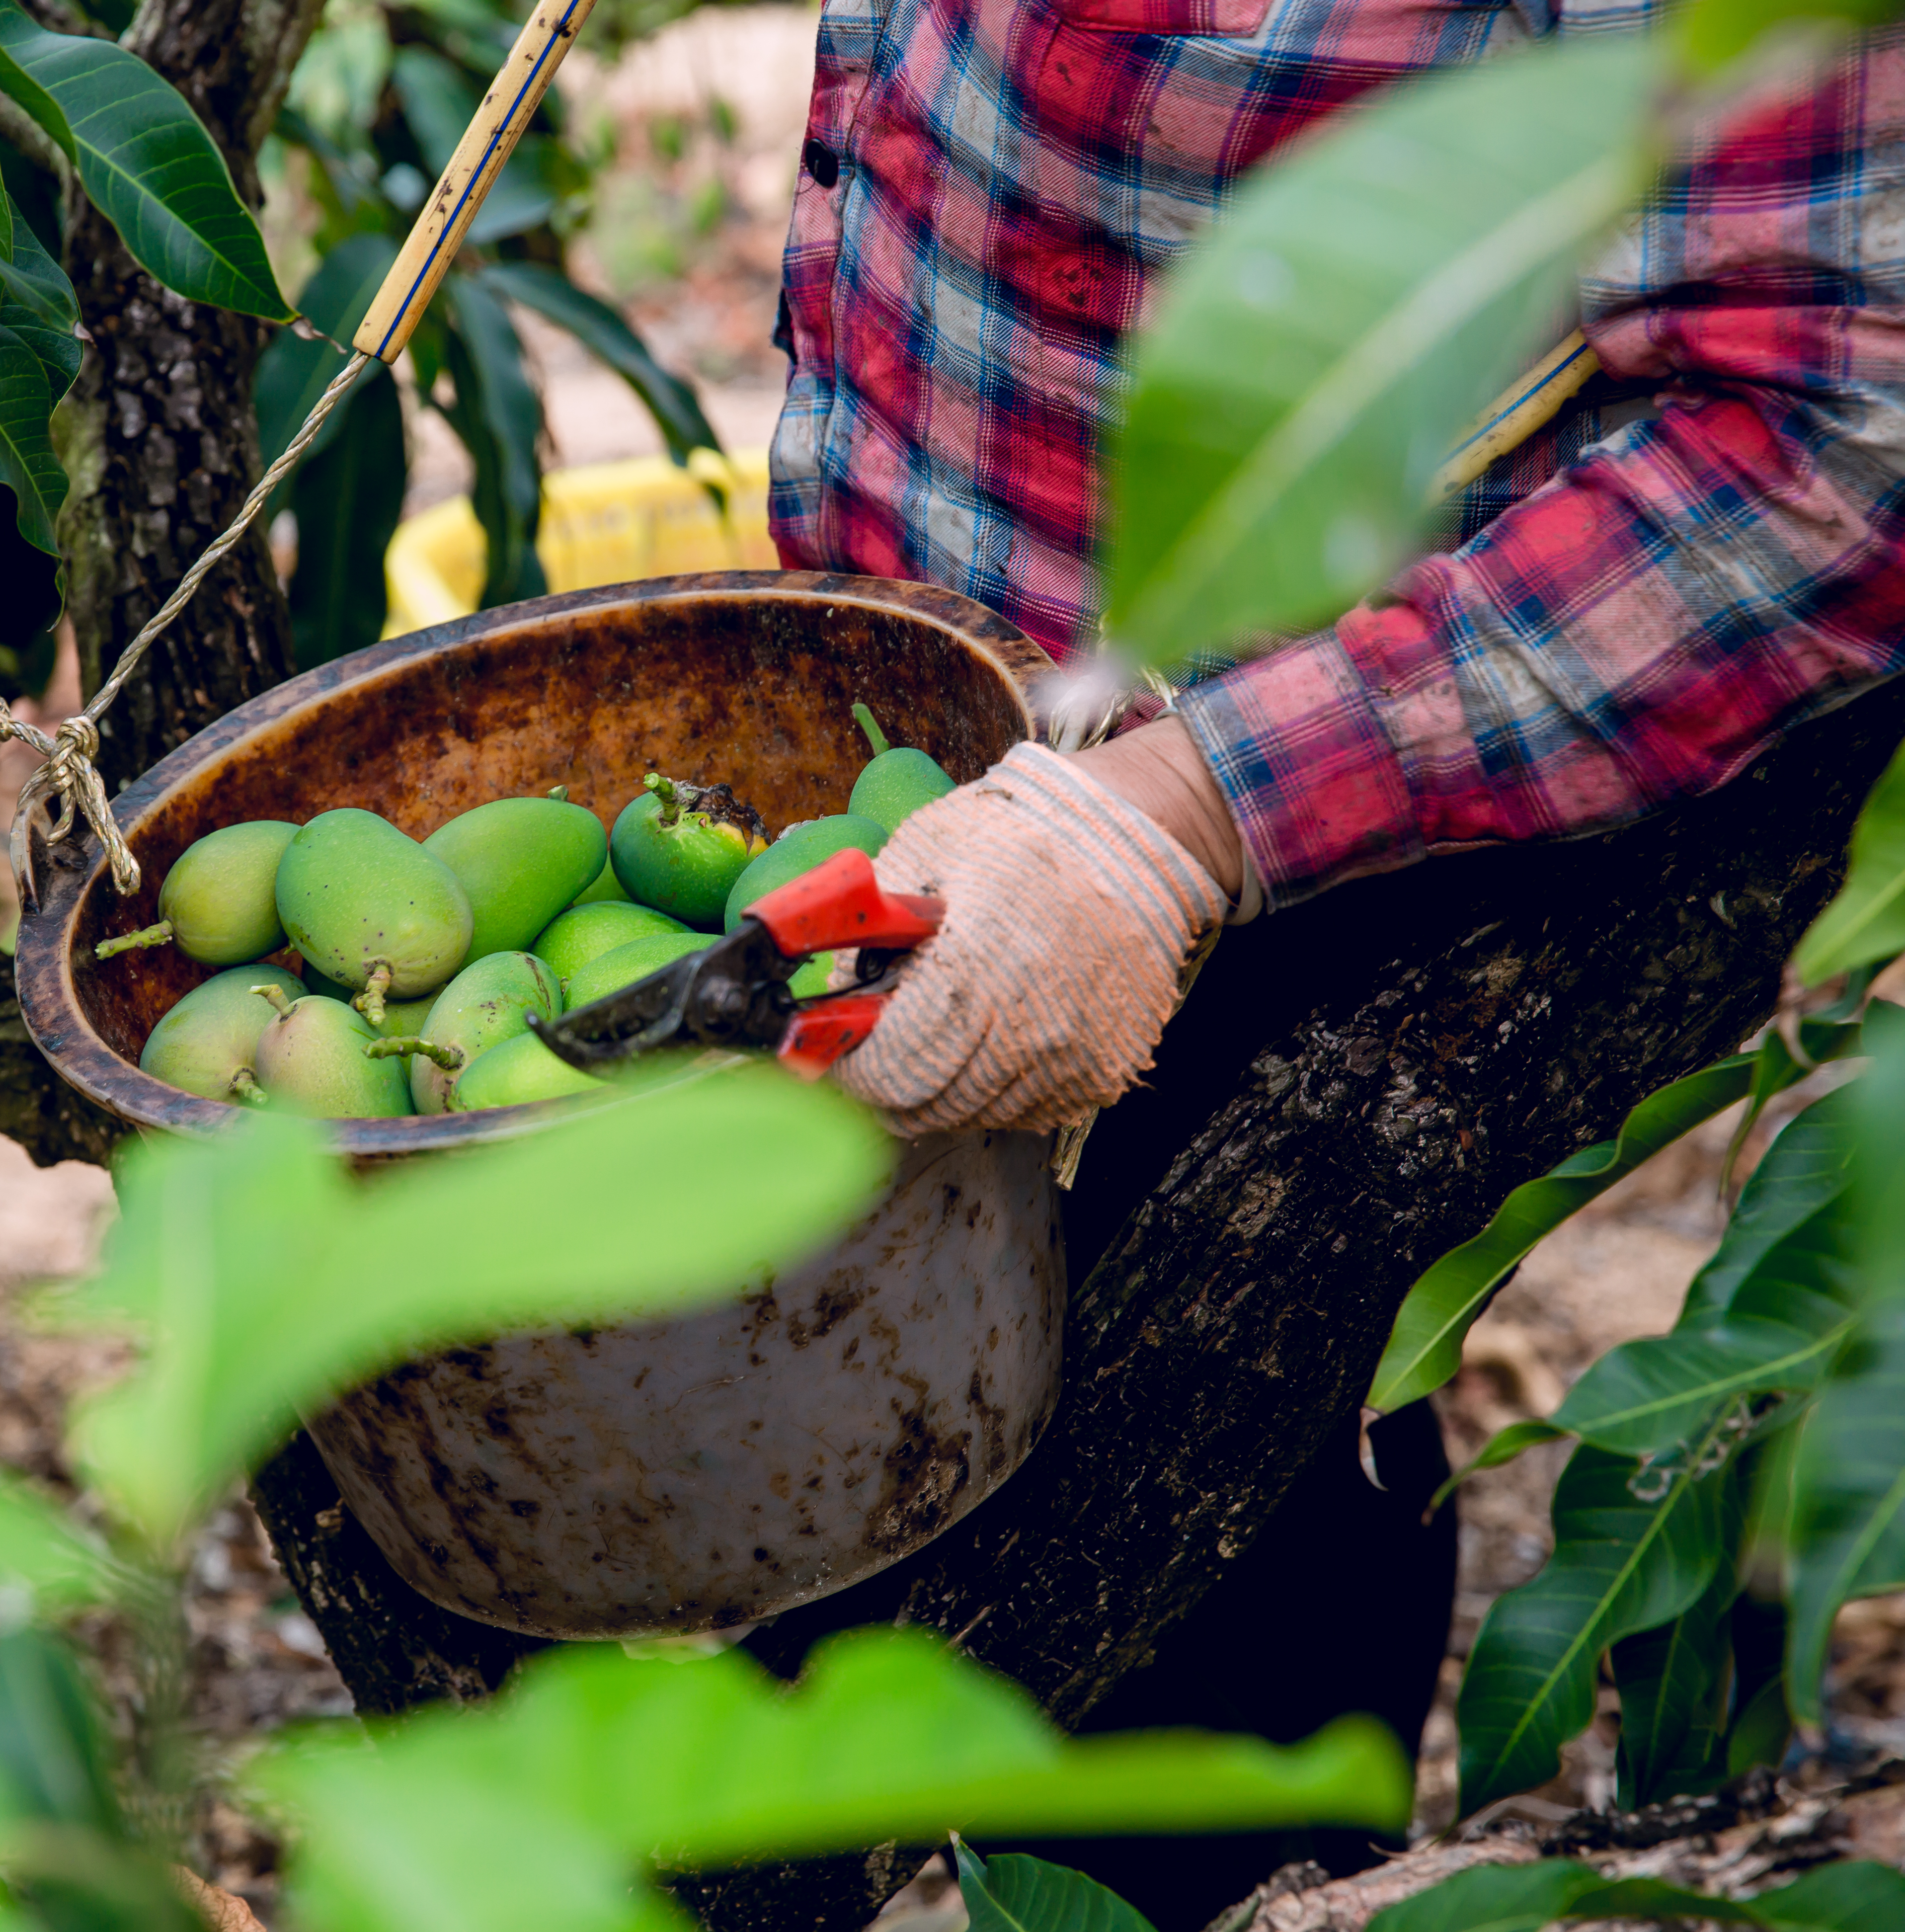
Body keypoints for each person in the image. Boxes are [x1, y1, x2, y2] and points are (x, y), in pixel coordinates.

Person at [761, 1, 1905, 1922]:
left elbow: (1853, 424)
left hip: (1318, 858)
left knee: (1213, 1629)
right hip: (924, 760)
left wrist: (1183, 811)